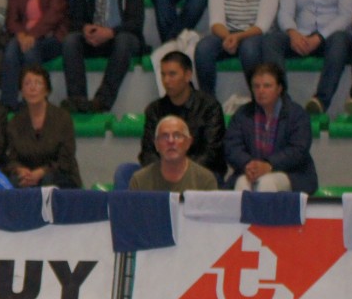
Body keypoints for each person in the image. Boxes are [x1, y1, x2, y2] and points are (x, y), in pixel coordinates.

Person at [113, 49, 225, 189]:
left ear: (188, 75)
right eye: (163, 75)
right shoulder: (154, 110)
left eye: (172, 74)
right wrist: (166, 169)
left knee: (211, 177)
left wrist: (181, 169)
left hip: (198, 173)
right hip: (162, 172)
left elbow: (211, 153)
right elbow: (148, 152)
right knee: (124, 172)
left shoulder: (210, 107)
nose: (166, 80)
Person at [62, 0, 143, 113]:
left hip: (121, 37)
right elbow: (74, 20)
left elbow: (136, 23)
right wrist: (85, 28)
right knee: (70, 41)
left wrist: (111, 32)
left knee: (124, 40)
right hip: (93, 38)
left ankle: (102, 101)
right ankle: (77, 99)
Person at [0, 0, 67, 110]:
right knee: (11, 49)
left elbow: (54, 14)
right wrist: (21, 34)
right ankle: (8, 104)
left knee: (30, 50)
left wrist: (32, 35)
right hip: (24, 37)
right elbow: (11, 18)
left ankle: (34, 102)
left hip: (52, 36)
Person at [225, 62, 318, 193]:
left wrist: (269, 165)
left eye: (267, 86)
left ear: (279, 88)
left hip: (291, 174)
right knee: (241, 182)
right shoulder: (242, 114)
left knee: (266, 182)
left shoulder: (297, 114)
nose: (261, 91)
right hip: (249, 171)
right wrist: (248, 165)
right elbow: (231, 147)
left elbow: (298, 150)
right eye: (256, 86)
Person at [5, 64, 81, 186]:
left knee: (47, 182)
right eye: (27, 84)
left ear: (47, 90)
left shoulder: (62, 118)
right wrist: (20, 170)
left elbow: (66, 159)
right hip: (27, 176)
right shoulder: (15, 122)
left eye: (38, 83)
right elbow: (11, 158)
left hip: (59, 175)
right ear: (21, 91)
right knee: (12, 182)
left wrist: (42, 172)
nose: (32, 88)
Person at [127, 115, 219, 190]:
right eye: (164, 136)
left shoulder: (205, 180)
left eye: (177, 136)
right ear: (156, 144)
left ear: (188, 142)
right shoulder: (139, 181)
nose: (171, 141)